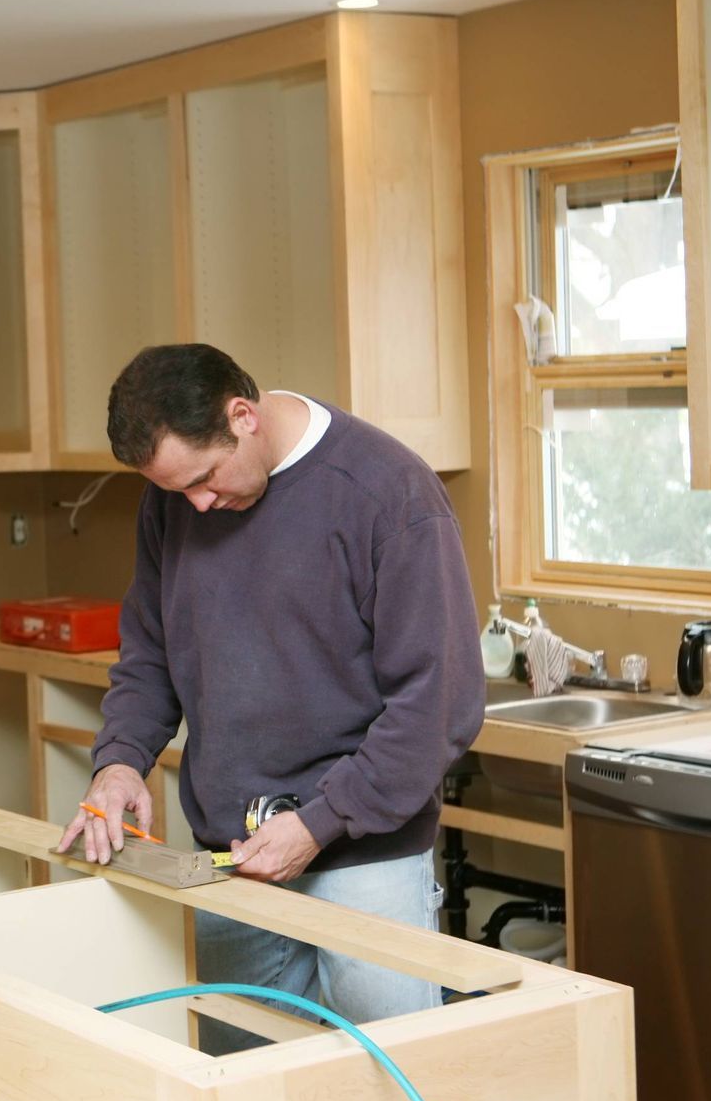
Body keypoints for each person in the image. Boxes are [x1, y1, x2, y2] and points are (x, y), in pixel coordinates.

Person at [55, 343, 482, 1052]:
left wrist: (320, 821)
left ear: (242, 416)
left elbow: (438, 702)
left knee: (391, 1087)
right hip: (228, 859)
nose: (196, 505)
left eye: (202, 478)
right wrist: (121, 761)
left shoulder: (387, 492)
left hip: (366, 860)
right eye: (173, 492)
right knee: (240, 1090)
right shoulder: (173, 504)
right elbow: (152, 655)